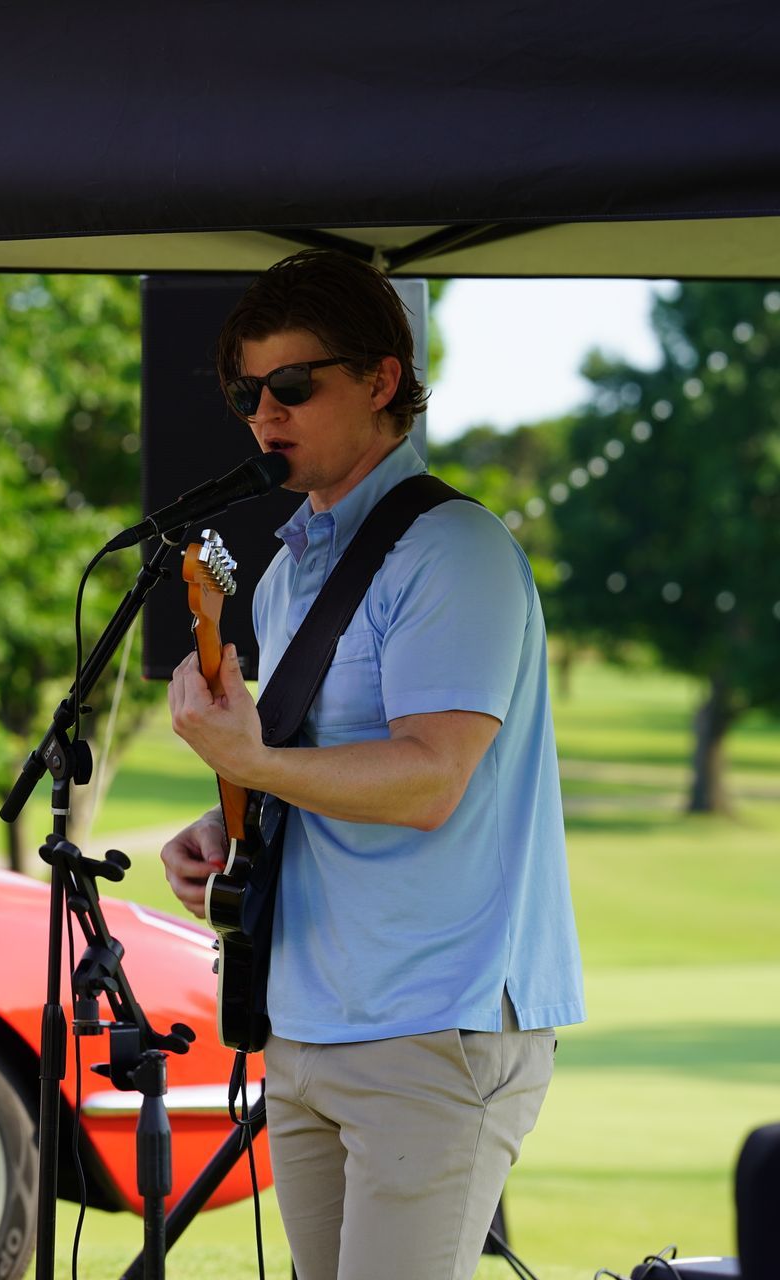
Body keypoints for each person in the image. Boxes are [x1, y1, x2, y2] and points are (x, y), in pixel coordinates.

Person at [158, 249, 584, 1280]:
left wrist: (254, 756)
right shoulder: (282, 575)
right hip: (308, 1020)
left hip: (436, 1021)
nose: (265, 413)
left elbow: (432, 778)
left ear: (381, 379)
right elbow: (314, 768)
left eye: (293, 385)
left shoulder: (455, 552)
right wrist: (233, 819)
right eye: (246, 391)